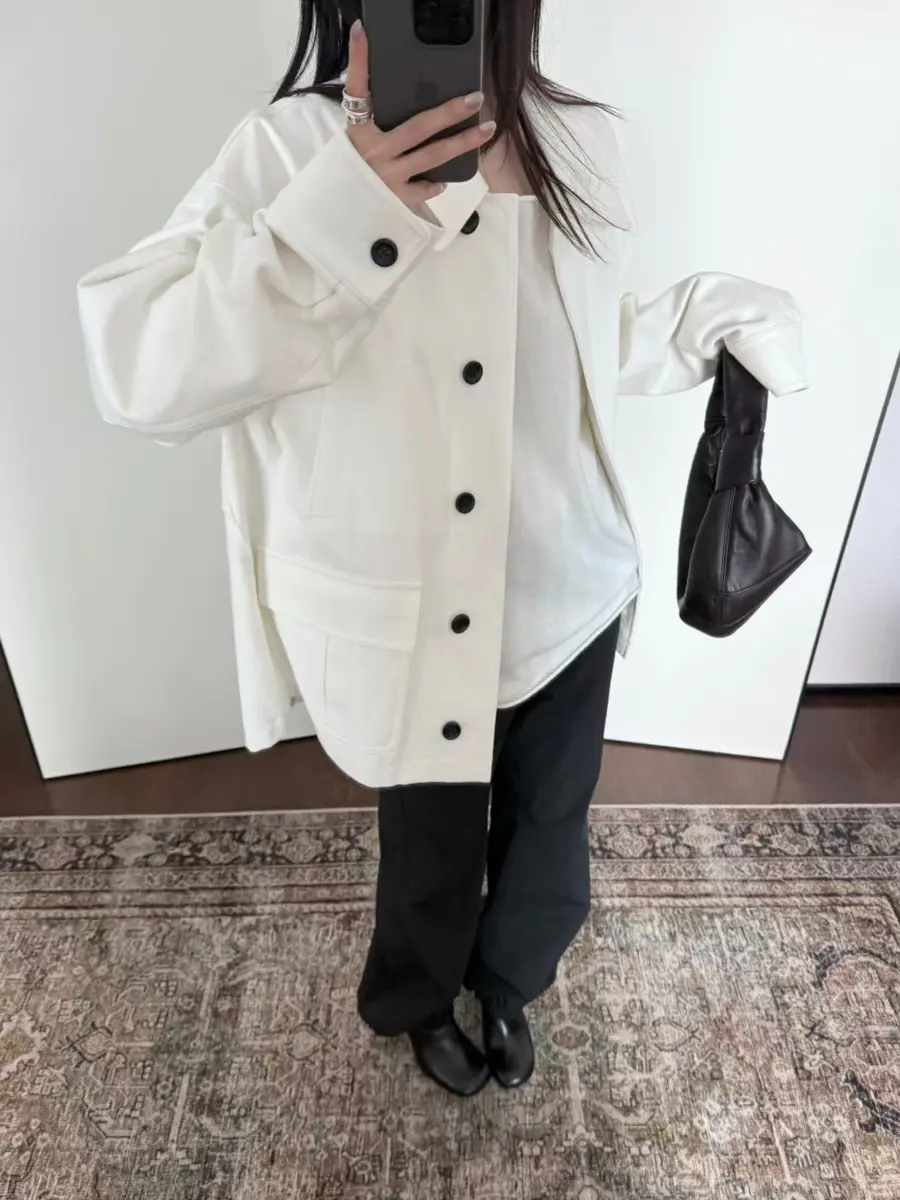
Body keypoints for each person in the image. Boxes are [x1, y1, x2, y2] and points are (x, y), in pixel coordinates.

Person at [78, 0, 807, 1097]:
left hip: (570, 582)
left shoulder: (580, 141)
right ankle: (416, 1001)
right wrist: (340, 211)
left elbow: (577, 339)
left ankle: (510, 982)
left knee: (550, 828)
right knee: (430, 846)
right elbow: (141, 369)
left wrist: (706, 322)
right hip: (411, 613)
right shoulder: (286, 151)